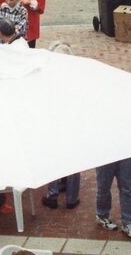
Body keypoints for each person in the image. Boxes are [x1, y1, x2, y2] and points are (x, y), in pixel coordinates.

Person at [43, 41, 82, 210]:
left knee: (54, 158)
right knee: (73, 160)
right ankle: (71, 198)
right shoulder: (76, 78)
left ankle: (52, 194)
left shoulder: (48, 77)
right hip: (72, 124)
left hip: (53, 124)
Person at [95, 156, 131, 239]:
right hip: (104, 155)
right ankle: (102, 216)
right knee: (104, 188)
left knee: (126, 189)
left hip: (124, 154)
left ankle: (128, 223)